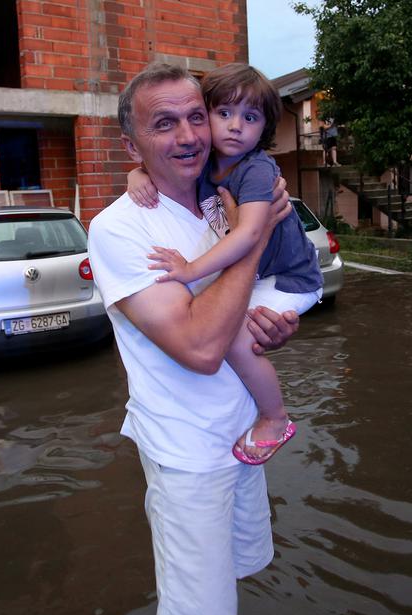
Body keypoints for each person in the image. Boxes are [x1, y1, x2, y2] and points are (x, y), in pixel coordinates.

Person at [87, 63, 299, 615]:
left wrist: (266, 328)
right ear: (132, 144)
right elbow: (201, 350)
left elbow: (231, 319)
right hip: (187, 454)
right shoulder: (121, 227)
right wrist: (250, 242)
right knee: (196, 612)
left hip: (242, 432)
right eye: (163, 124)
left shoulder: (220, 194)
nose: (187, 136)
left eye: (195, 117)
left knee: (237, 575)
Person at [126, 63, 323, 466]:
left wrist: (189, 269)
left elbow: (251, 234)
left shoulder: (256, 169)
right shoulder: (206, 164)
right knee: (242, 331)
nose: (235, 127)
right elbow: (155, 163)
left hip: (294, 278)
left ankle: (275, 417)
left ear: (264, 128)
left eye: (250, 118)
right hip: (263, 276)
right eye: (224, 113)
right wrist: (136, 174)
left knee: (234, 335)